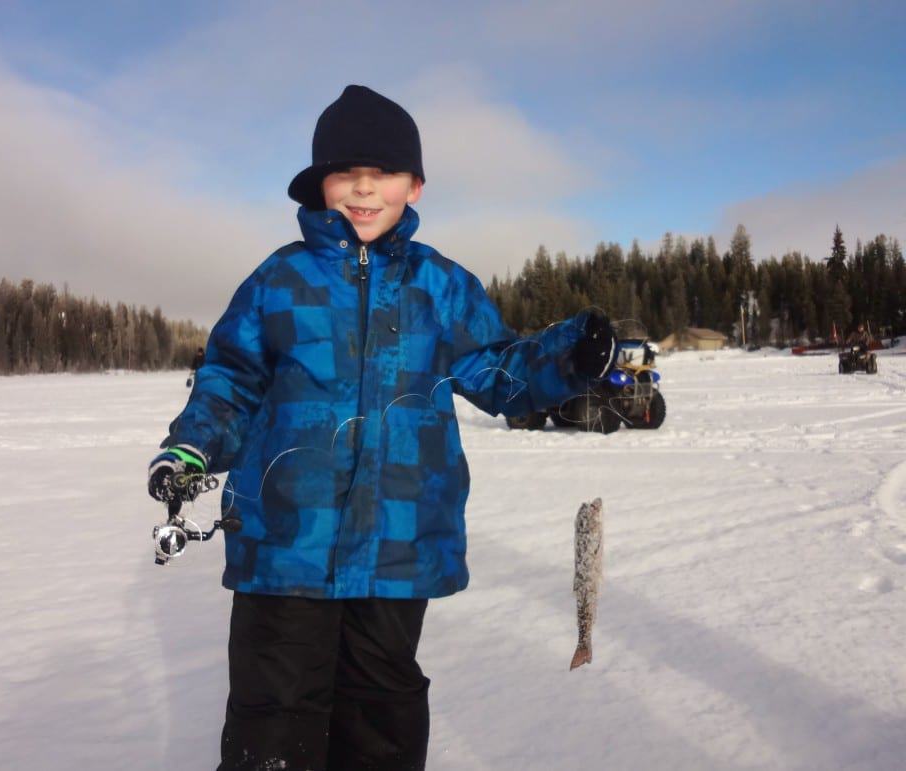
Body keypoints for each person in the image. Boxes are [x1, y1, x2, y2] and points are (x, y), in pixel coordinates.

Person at [147, 85, 617, 771]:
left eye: (384, 172)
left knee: (382, 721)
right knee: (273, 722)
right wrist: (192, 445)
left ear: (415, 185)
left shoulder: (443, 287)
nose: (365, 187)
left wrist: (566, 355)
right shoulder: (279, 280)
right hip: (285, 548)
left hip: (399, 544)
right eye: (346, 172)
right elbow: (231, 378)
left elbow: (498, 372)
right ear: (319, 185)